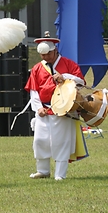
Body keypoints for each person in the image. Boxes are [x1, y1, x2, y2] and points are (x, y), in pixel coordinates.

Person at [24, 34, 86, 181]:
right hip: (44, 109)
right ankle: (43, 170)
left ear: (55, 50)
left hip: (63, 109)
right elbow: (34, 90)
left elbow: (81, 82)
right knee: (40, 140)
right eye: (42, 55)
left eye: (48, 54)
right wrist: (38, 108)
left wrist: (65, 76)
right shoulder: (37, 68)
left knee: (61, 141)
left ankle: (60, 173)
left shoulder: (68, 64)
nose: (46, 57)